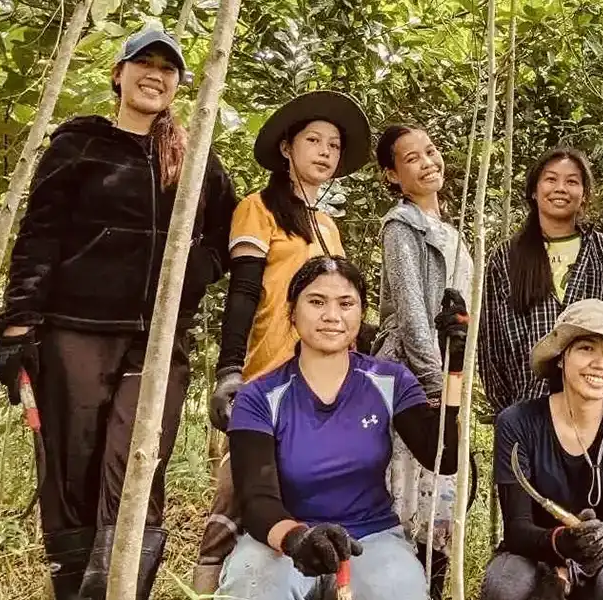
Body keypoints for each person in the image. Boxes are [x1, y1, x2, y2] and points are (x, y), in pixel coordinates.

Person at [0, 28, 236, 599]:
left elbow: (232, 231)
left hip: (158, 340)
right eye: (143, 63)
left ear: (179, 85)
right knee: (72, 467)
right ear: (118, 74)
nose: (155, 75)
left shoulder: (194, 156)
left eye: (168, 68)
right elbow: (39, 234)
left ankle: (122, 589)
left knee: (138, 465)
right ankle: (75, 590)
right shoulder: (79, 142)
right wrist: (18, 321)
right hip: (76, 329)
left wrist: (194, 270)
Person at [194, 90, 373, 592]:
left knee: (310, 502)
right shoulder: (258, 209)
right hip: (266, 375)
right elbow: (244, 289)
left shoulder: (330, 229)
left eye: (334, 145)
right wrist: (230, 369)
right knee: (236, 501)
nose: (324, 152)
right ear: (286, 149)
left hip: (321, 384)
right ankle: (209, 588)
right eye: (313, 140)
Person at [219, 255, 464, 600]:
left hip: (372, 537)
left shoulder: (389, 381)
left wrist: (453, 367)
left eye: (346, 303)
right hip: (284, 537)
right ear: (292, 311)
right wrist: (298, 539)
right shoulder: (260, 396)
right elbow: (257, 500)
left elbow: (444, 456)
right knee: (251, 587)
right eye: (317, 302)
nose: (332, 316)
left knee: (400, 592)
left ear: (361, 313)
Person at [482, 299, 603, 600]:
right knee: (503, 584)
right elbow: (517, 529)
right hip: (532, 554)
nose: (600, 363)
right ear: (561, 357)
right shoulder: (517, 422)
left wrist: (575, 567)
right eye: (587, 348)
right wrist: (561, 544)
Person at [373, 123, 475, 588]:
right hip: (415, 375)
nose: (427, 162)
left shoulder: (450, 231)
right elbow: (412, 311)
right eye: (411, 158)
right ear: (392, 175)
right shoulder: (401, 224)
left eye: (430, 151)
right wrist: (435, 384)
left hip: (451, 373)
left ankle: (427, 586)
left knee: (446, 493)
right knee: (413, 493)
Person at [482, 148, 603, 418]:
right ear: (534, 191)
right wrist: (507, 412)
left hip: (595, 405)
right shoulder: (505, 257)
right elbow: (492, 343)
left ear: (584, 195)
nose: (560, 188)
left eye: (572, 181)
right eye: (551, 179)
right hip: (527, 405)